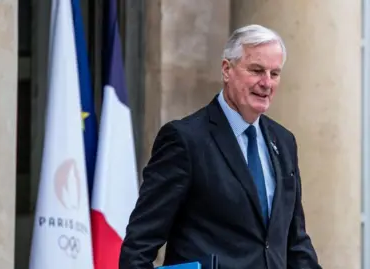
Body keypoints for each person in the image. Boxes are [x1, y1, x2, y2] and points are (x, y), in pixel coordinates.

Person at [119, 24, 321, 269]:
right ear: (227, 70)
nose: (266, 83)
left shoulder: (284, 141)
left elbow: (296, 242)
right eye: (256, 70)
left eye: (274, 73)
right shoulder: (185, 139)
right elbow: (139, 244)